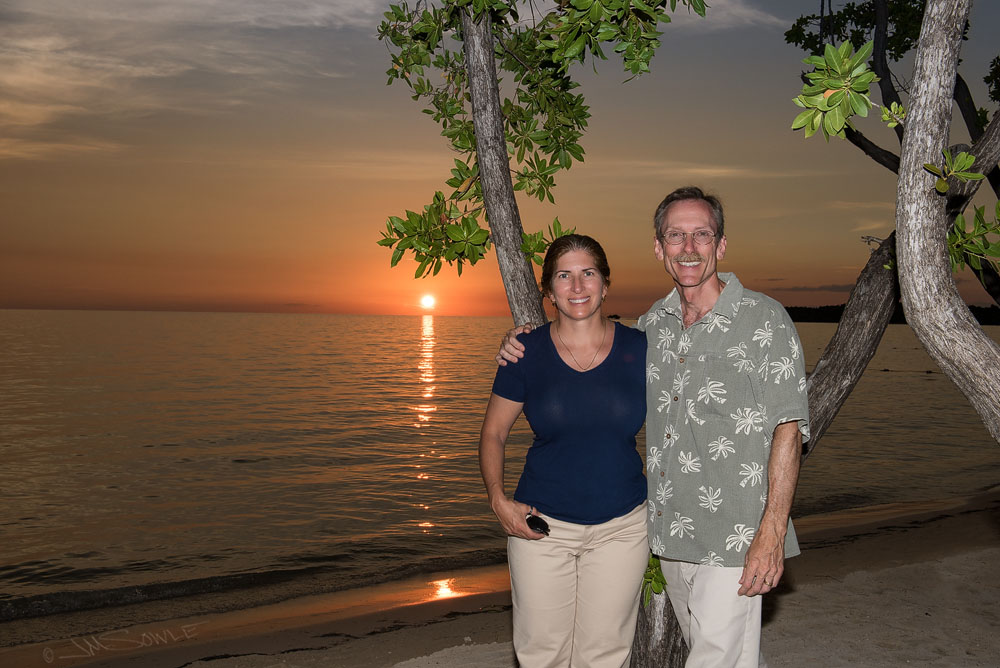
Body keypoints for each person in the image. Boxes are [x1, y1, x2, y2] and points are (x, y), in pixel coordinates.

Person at [498, 187, 810, 668]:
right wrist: (522, 341)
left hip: (736, 533)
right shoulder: (652, 329)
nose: (689, 248)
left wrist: (771, 533)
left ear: (721, 245)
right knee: (724, 653)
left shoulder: (763, 320)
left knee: (718, 658)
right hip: (670, 532)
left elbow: (788, 430)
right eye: (675, 236)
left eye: (701, 234)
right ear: (659, 249)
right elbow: (589, 357)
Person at [479, 233, 649, 668]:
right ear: (549, 291)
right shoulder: (525, 352)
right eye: (564, 276)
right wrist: (498, 500)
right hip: (541, 527)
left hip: (623, 528)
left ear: (605, 284)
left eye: (588, 273)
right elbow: (494, 433)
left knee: (604, 655)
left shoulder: (642, 349)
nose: (577, 286)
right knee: (542, 654)